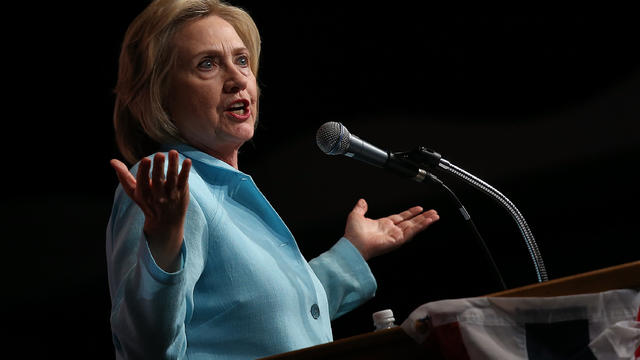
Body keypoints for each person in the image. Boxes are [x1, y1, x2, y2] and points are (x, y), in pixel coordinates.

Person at [106, 0, 440, 358]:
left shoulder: (225, 192)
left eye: (242, 60)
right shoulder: (167, 186)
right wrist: (162, 248)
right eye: (207, 64)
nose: (237, 79)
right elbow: (145, 350)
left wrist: (351, 254)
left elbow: (269, 320)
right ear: (160, 94)